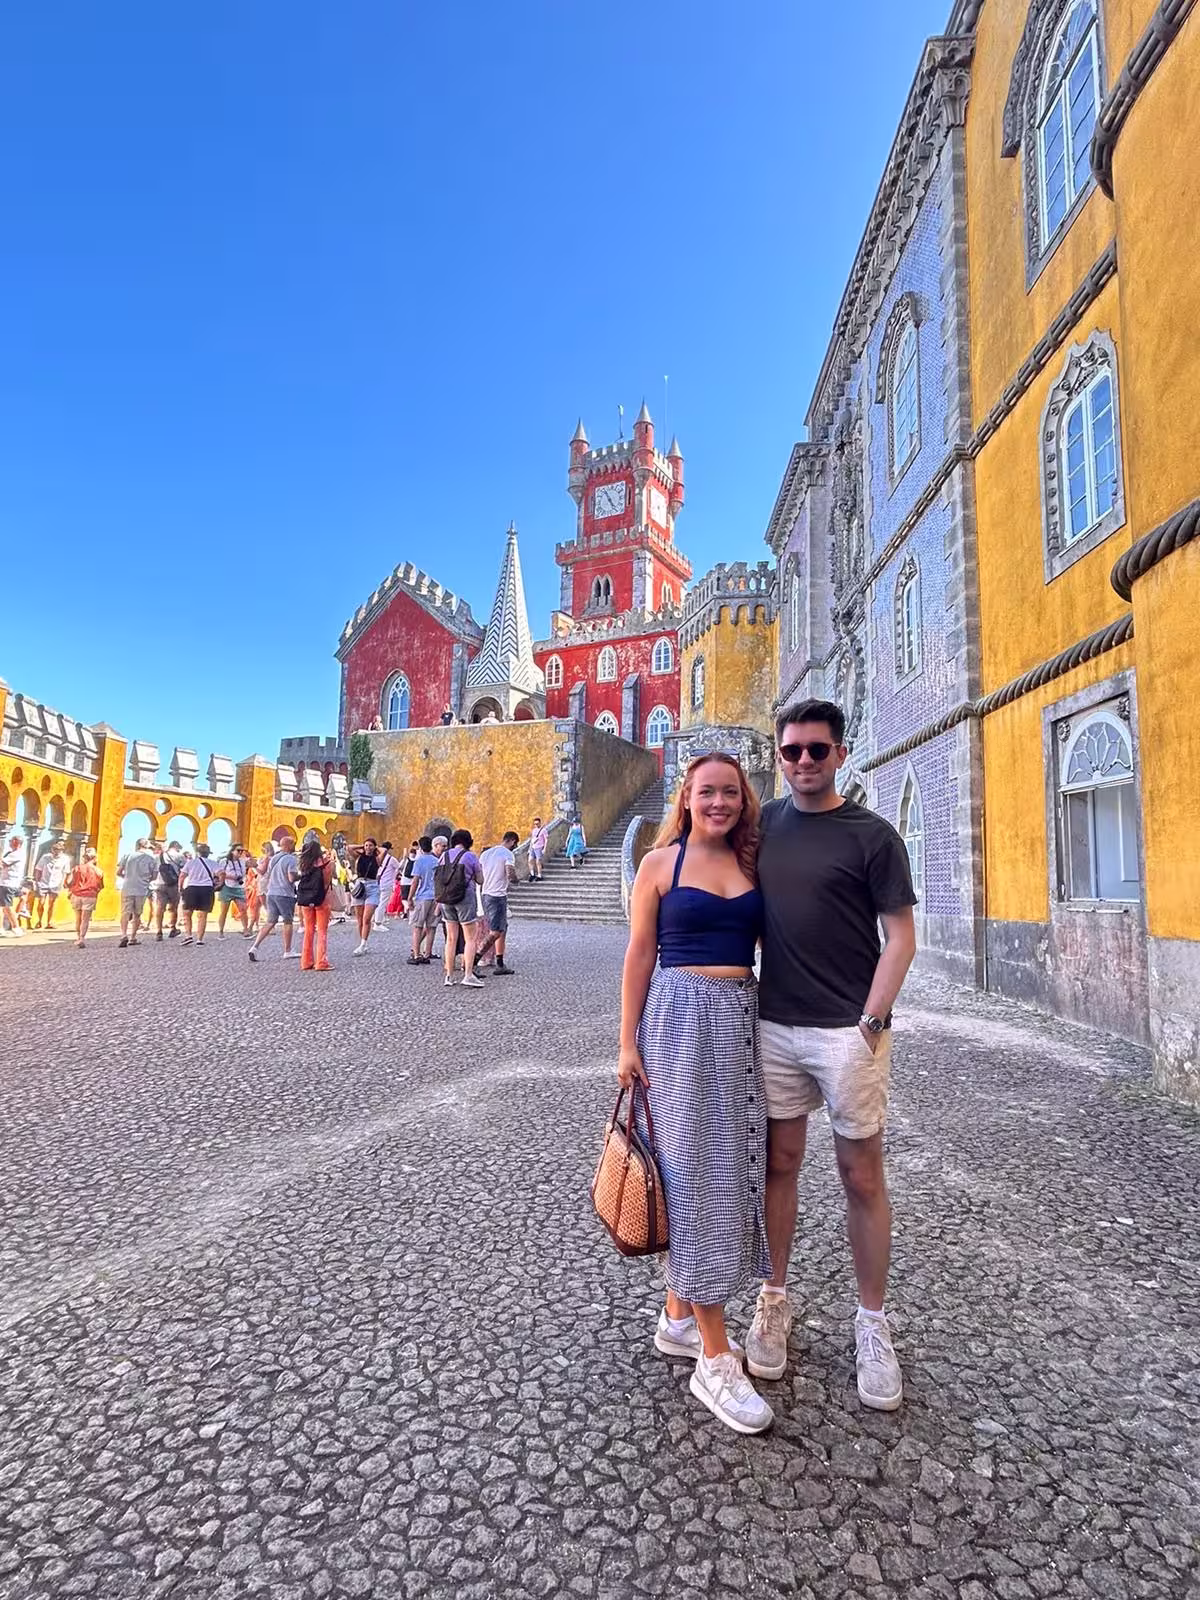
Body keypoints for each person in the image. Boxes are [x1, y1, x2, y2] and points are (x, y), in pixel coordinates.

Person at [745, 699, 917, 1414]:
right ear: (779, 757)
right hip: (776, 1025)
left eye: (817, 750)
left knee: (860, 1174)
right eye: (792, 752)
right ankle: (774, 1299)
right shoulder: (764, 831)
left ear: (840, 754)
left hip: (847, 1030)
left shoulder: (873, 836)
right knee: (779, 1163)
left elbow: (900, 934)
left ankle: (872, 1323)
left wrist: (872, 1021)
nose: (804, 762)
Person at [619, 753, 772, 1436]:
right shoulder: (661, 866)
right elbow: (639, 955)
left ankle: (678, 1318)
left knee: (728, 1169)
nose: (718, 802)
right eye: (706, 791)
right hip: (678, 1021)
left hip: (740, 1019)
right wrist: (626, 1043)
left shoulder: (752, 865)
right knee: (694, 1178)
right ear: (686, 796)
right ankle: (715, 1358)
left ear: (744, 800)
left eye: (730, 793)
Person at [435, 828, 484, 988]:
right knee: (470, 938)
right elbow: (480, 880)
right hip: (464, 897)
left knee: (450, 938)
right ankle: (468, 974)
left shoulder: (444, 855)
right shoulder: (470, 856)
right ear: (468, 841)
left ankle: (448, 975)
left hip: (446, 898)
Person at [476, 830, 519, 974]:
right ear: (512, 841)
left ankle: (500, 962)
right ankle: (474, 959)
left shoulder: (486, 854)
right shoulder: (508, 854)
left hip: (485, 894)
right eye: (515, 844)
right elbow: (510, 873)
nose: (515, 847)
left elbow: (479, 874)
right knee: (495, 931)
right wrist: (515, 880)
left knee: (502, 928)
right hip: (497, 896)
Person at [249, 838, 299, 961]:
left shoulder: (274, 859)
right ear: (289, 845)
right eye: (293, 843)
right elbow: (291, 878)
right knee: (288, 921)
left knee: (270, 921)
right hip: (285, 894)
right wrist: (302, 875)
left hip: (271, 892)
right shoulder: (291, 859)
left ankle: (254, 947)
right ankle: (288, 950)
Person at [296, 836, 334, 972]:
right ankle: (321, 962)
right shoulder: (327, 863)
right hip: (322, 899)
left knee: (309, 930)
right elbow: (327, 882)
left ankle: (306, 961)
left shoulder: (303, 864)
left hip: (306, 899)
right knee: (322, 931)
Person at [117, 837, 159, 948]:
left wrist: (127, 877)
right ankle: (132, 937)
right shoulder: (151, 859)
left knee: (125, 912)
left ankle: (123, 934)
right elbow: (154, 876)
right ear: (146, 846)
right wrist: (145, 880)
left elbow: (118, 872)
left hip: (127, 887)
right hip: (141, 889)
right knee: (137, 914)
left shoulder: (127, 856)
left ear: (137, 845)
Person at [405, 837, 440, 965]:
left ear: (420, 847)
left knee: (418, 927)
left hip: (422, 897)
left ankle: (416, 955)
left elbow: (415, 881)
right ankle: (428, 953)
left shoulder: (419, 861)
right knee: (431, 927)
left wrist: (409, 897)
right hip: (435, 897)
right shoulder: (437, 861)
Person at [179, 843, 220, 945]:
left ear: (198, 853)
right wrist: (220, 883)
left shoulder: (191, 863)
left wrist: (180, 887)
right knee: (203, 915)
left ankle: (188, 935)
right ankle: (200, 940)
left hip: (192, 888)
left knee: (187, 913)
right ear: (208, 854)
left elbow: (182, 876)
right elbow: (221, 873)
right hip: (207, 889)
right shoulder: (213, 863)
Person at [66, 847, 104, 948]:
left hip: (77, 894)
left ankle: (78, 937)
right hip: (90, 895)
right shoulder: (98, 871)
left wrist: (72, 888)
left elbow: (69, 883)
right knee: (85, 919)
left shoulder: (77, 868)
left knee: (78, 918)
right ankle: (82, 938)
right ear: (95, 858)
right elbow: (101, 886)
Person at [352, 837, 381, 956]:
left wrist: (376, 848)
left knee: (366, 918)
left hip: (372, 887)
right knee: (359, 919)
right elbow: (349, 847)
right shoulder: (359, 857)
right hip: (359, 886)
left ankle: (363, 943)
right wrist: (361, 846)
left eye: (370, 845)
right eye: (366, 845)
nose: (368, 847)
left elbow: (384, 850)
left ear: (374, 847)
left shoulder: (377, 859)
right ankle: (362, 943)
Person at [34, 841, 72, 929]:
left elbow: (66, 872)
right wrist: (37, 881)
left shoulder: (65, 859)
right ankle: (39, 921)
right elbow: (38, 869)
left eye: (58, 850)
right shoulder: (45, 857)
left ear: (62, 850)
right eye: (54, 849)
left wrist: (64, 883)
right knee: (41, 903)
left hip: (56, 883)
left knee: (52, 903)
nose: (56, 851)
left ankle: (49, 922)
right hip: (44, 883)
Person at [216, 845, 249, 937]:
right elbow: (219, 873)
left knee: (243, 909)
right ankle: (221, 931)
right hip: (227, 887)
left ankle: (246, 930)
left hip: (238, 887)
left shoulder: (242, 862)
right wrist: (232, 877)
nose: (240, 852)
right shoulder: (224, 862)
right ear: (232, 851)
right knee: (224, 911)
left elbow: (252, 864)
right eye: (238, 850)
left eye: (242, 851)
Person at [155, 843, 183, 940]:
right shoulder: (179, 856)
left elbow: (155, 870)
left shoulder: (159, 856)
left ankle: (159, 931)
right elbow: (184, 870)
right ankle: (173, 928)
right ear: (176, 847)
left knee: (159, 907)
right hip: (173, 884)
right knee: (174, 907)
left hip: (159, 884)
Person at [0, 835, 24, 936]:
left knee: (7, 907)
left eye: (11, 840)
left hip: (8, 883)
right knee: (2, 906)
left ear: (16, 842)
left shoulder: (16, 854)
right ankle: (1, 928)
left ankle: (16, 927)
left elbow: (3, 863)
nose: (9, 842)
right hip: (6, 882)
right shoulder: (12, 853)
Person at [374, 841, 399, 931]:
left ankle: (376, 919)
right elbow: (399, 867)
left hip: (378, 882)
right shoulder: (391, 859)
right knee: (383, 903)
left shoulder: (377, 858)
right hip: (387, 883)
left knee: (377, 903)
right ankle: (378, 923)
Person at [527, 816, 549, 882]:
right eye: (535, 824)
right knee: (530, 860)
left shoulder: (543, 830)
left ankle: (539, 875)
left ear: (540, 823)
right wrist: (529, 848)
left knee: (538, 861)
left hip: (539, 847)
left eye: (537, 824)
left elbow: (546, 840)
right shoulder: (534, 830)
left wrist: (544, 848)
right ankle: (532, 874)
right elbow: (532, 840)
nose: (536, 825)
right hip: (533, 847)